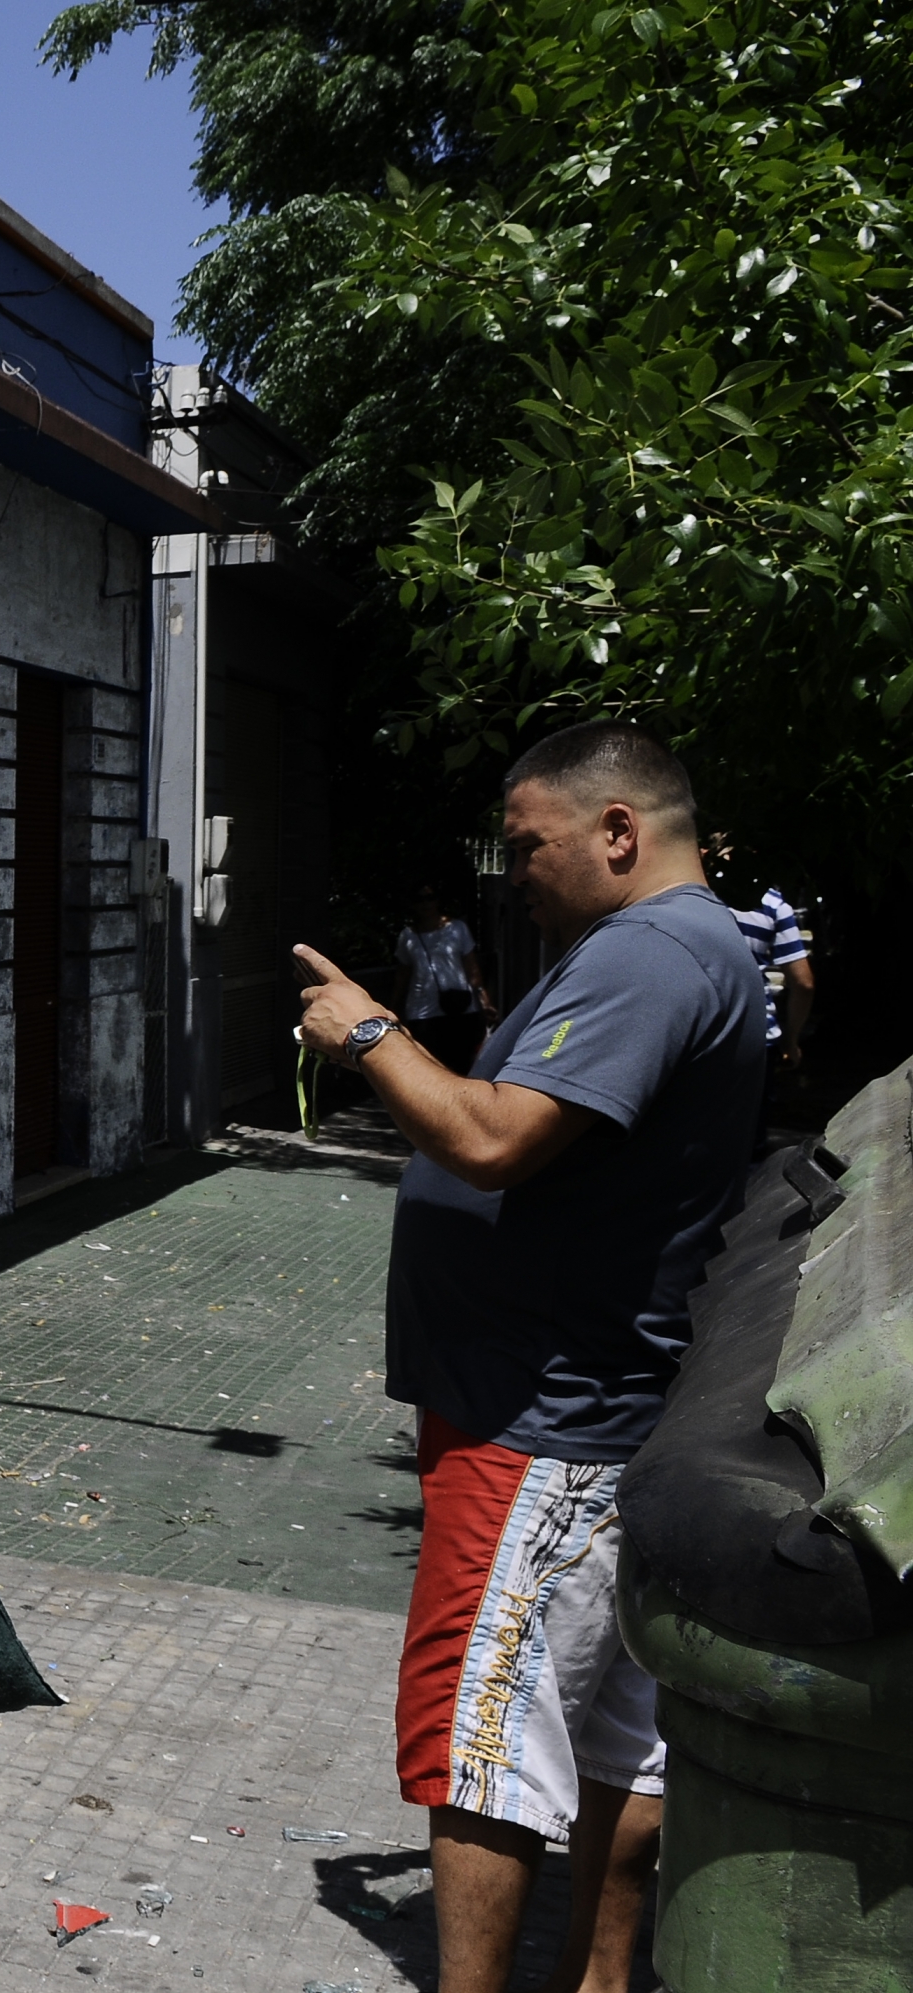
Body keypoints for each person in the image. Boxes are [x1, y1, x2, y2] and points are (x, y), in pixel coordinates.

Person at [290, 721, 761, 1993]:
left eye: (528, 845)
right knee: (616, 1734)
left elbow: (492, 1138)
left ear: (620, 831)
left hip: (542, 1421)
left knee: (484, 1743)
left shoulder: (655, 951)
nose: (514, 873)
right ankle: (601, 1980)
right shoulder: (681, 946)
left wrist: (371, 1032)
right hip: (585, 1407)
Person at [392, 882, 494, 1073]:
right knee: (429, 1067)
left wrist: (484, 1000)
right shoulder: (408, 936)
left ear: (438, 901)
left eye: (430, 898)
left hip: (460, 1007)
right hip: (423, 1011)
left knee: (462, 1065)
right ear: (412, 904)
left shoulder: (457, 929)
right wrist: (395, 1007)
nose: (426, 904)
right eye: (419, 899)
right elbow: (402, 975)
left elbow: (471, 967)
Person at [731, 883, 815, 1069]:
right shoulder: (771, 903)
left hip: (697, 1036)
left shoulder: (679, 895)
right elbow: (803, 983)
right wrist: (790, 1040)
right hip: (758, 1035)